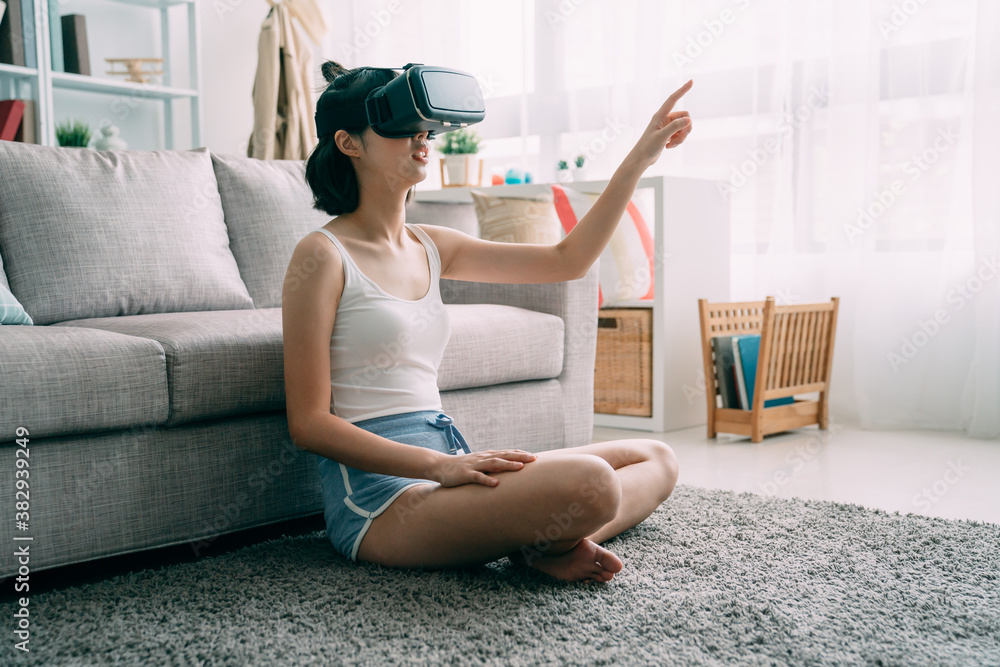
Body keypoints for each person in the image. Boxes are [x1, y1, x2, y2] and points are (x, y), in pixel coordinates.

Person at [283, 60, 693, 583]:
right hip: (384, 503)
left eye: (423, 129)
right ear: (349, 143)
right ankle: (540, 536)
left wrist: (638, 159)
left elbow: (566, 261)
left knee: (656, 456)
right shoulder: (322, 254)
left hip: (452, 467)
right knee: (595, 483)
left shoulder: (432, 245)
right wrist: (438, 467)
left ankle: (537, 539)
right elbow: (309, 424)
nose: (421, 140)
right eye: (401, 130)